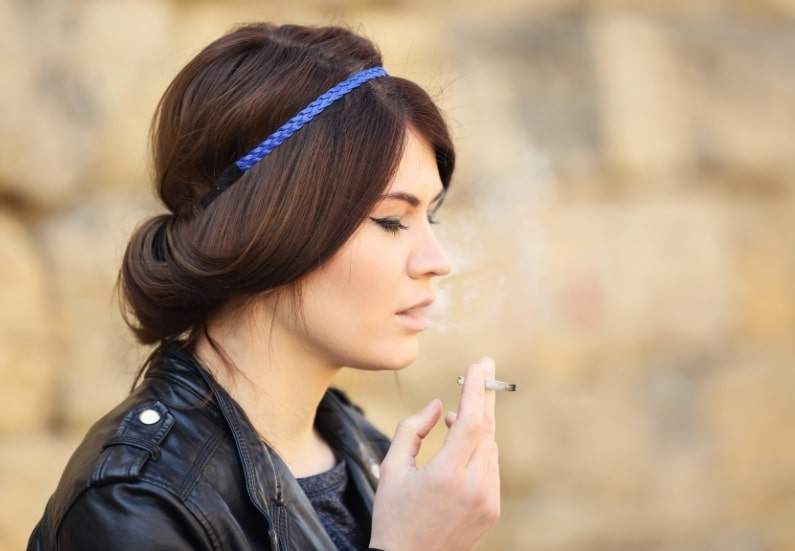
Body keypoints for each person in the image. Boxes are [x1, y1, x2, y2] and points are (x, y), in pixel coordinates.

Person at [27, 21, 500, 550]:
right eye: (392, 220)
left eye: (430, 218)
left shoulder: (360, 450)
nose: (438, 262)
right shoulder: (134, 502)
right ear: (274, 226)